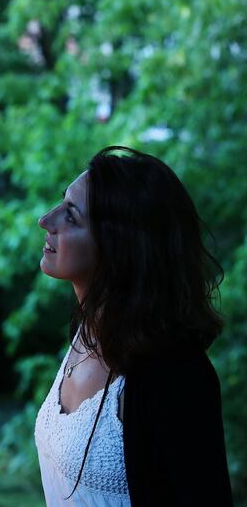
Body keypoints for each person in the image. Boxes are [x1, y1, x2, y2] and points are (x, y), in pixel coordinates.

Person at [33, 146, 233, 506]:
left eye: (72, 216)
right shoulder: (85, 332)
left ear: (120, 247)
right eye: (60, 203)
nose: (46, 220)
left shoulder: (177, 377)